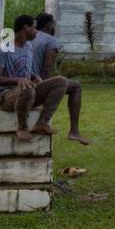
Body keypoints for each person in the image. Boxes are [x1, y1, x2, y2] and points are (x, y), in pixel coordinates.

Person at [0, 14, 68, 144]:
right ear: (26, 28)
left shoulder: (29, 47)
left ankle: (42, 123)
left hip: (27, 93)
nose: (37, 32)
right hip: (6, 97)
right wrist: (18, 80)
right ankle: (22, 128)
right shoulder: (3, 50)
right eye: (34, 28)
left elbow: (23, 68)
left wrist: (33, 76)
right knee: (27, 88)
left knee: (61, 81)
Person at [30, 12, 89, 145]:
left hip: (23, 85)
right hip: (34, 85)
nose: (54, 28)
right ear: (49, 26)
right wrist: (46, 90)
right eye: (54, 25)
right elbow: (47, 67)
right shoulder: (51, 40)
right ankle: (74, 131)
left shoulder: (28, 37)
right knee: (76, 87)